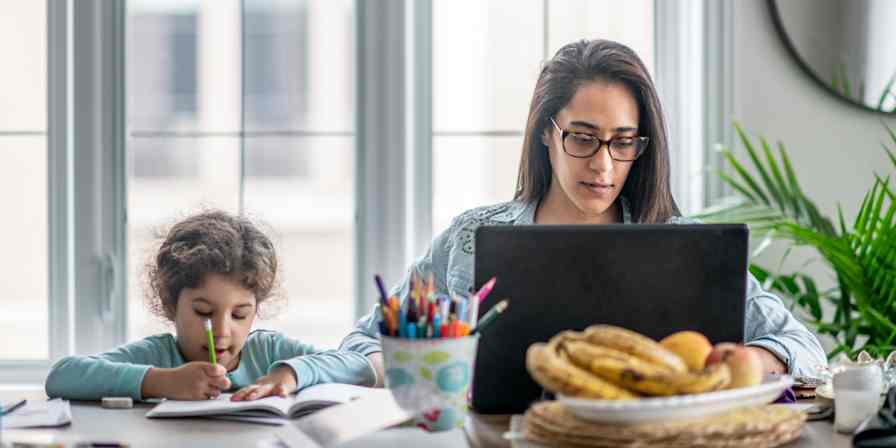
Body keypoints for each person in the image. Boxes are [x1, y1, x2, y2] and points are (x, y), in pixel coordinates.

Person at [339, 39, 827, 387]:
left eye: (622, 142)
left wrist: (746, 360)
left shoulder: (686, 244)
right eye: (582, 137)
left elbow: (804, 347)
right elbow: (367, 341)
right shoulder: (468, 239)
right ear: (546, 132)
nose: (603, 164)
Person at [45, 210, 376, 401]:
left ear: (256, 310)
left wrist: (290, 372)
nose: (221, 330)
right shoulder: (157, 356)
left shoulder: (270, 351)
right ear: (171, 303)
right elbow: (62, 377)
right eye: (203, 312)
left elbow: (359, 365)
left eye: (239, 314)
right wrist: (162, 381)